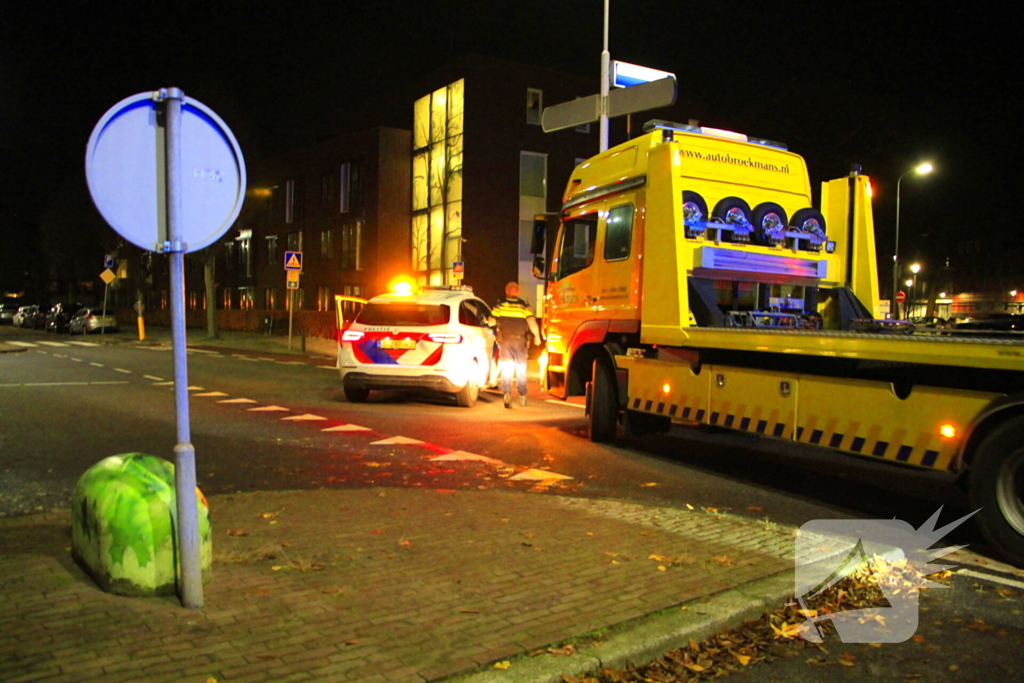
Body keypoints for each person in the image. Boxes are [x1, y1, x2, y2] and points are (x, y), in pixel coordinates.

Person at [490, 281, 541, 408]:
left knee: (507, 368)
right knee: (521, 369)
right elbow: (532, 322)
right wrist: (537, 337)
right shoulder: (524, 306)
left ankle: (507, 394)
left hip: (505, 341)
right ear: (518, 292)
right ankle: (522, 396)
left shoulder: (500, 305)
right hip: (520, 341)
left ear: (506, 292)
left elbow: (491, 321)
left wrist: (494, 324)